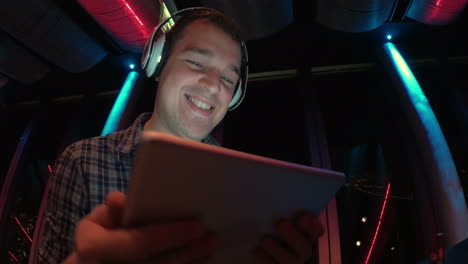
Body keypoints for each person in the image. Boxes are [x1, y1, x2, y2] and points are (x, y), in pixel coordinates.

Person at [37, 8, 324, 264]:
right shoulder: (84, 161)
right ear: (158, 65)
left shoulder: (239, 184)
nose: (213, 85)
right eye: (197, 64)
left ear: (234, 95)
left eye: (227, 78)